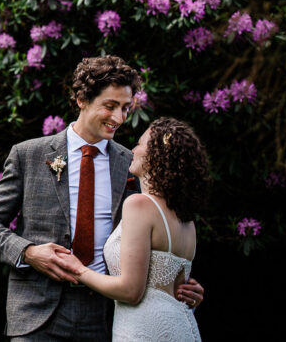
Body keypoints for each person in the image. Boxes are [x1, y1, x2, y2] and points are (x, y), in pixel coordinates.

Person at [0, 55, 204, 340]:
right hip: (37, 314)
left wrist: (174, 283)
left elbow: (159, 229)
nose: (118, 118)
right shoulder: (28, 154)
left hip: (107, 315)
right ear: (81, 99)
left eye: (125, 108)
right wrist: (29, 253)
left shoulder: (133, 163)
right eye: (110, 106)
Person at [54, 117, 209, 340]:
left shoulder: (139, 204)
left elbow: (131, 291)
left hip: (145, 330)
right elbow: (172, 291)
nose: (133, 150)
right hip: (182, 326)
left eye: (140, 143)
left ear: (157, 155)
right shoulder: (186, 220)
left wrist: (78, 269)